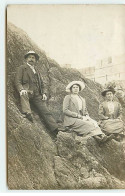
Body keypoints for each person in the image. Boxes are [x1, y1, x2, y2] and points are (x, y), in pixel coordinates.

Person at [15, 50, 64, 135]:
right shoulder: (22, 68)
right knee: (24, 94)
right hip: (28, 91)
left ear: (36, 60)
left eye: (33, 58)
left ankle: (55, 129)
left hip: (38, 95)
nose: (31, 59)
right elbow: (17, 81)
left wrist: (44, 93)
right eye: (29, 57)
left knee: (45, 111)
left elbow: (42, 84)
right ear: (26, 59)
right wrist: (21, 89)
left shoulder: (37, 71)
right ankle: (27, 113)